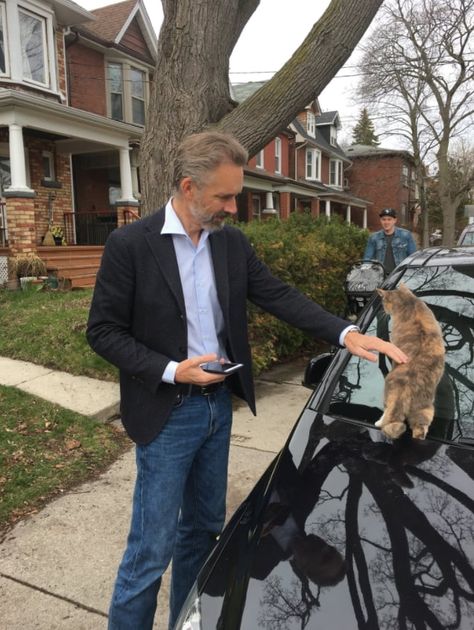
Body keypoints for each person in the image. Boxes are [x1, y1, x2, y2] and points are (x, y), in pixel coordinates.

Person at [86, 131, 408, 630]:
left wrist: (345, 333)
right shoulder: (131, 245)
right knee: (149, 554)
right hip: (166, 413)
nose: (234, 207)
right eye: (225, 196)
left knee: (203, 536)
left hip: (218, 409)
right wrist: (172, 370)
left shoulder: (230, 244)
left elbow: (278, 295)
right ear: (188, 187)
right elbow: (103, 332)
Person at [363, 207, 417, 274]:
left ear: (395, 220)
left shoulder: (405, 235)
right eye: (384, 219)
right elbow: (367, 259)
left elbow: (413, 257)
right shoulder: (374, 237)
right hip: (380, 277)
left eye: (389, 219)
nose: (386, 222)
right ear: (380, 220)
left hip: (399, 276)